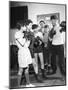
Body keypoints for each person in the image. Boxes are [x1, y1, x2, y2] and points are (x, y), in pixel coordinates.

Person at [15, 21, 35, 87]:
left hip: (26, 51)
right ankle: (18, 86)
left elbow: (27, 45)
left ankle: (28, 84)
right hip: (22, 52)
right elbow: (22, 43)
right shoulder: (17, 33)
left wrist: (28, 38)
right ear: (21, 27)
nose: (25, 27)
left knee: (27, 68)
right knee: (21, 69)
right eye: (24, 26)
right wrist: (26, 36)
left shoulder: (24, 33)